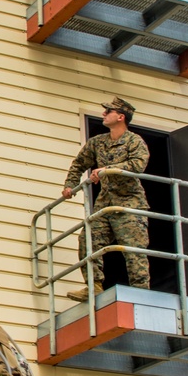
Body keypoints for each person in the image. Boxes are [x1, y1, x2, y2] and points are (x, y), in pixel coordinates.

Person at [62, 98, 150, 300]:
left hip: (129, 202)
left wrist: (107, 170)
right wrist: (70, 184)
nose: (103, 114)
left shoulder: (134, 141)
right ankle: (94, 286)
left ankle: (142, 293)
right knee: (88, 239)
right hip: (105, 202)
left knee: (133, 250)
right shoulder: (98, 142)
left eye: (108, 111)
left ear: (121, 117)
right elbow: (79, 163)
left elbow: (138, 165)